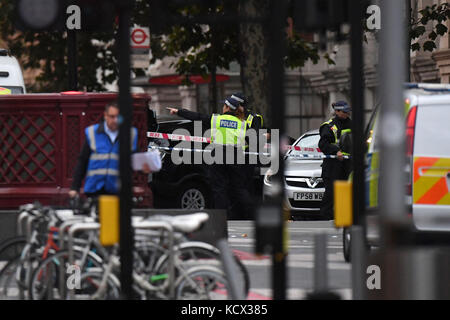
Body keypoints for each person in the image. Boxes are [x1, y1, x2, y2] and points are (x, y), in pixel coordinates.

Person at [167, 97, 254, 219]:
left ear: (227, 107)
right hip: (235, 156)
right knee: (239, 188)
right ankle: (251, 214)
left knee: (219, 188)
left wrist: (178, 111)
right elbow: (252, 140)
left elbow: (197, 116)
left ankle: (221, 217)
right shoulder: (242, 124)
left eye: (223, 105)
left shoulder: (217, 120)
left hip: (218, 154)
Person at [69, 101, 149, 199]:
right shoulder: (93, 132)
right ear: (105, 116)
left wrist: (143, 169)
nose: (115, 120)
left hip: (118, 189)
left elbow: (134, 158)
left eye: (118, 117)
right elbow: (83, 161)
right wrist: (74, 187)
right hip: (95, 188)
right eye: (112, 116)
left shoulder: (129, 134)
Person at [318, 100, 352, 221]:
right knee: (331, 192)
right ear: (337, 111)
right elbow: (323, 144)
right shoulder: (329, 126)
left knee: (347, 191)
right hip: (333, 165)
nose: (347, 114)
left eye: (348, 112)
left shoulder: (351, 124)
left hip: (347, 165)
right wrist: (335, 151)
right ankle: (326, 216)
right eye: (344, 112)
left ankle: (343, 214)